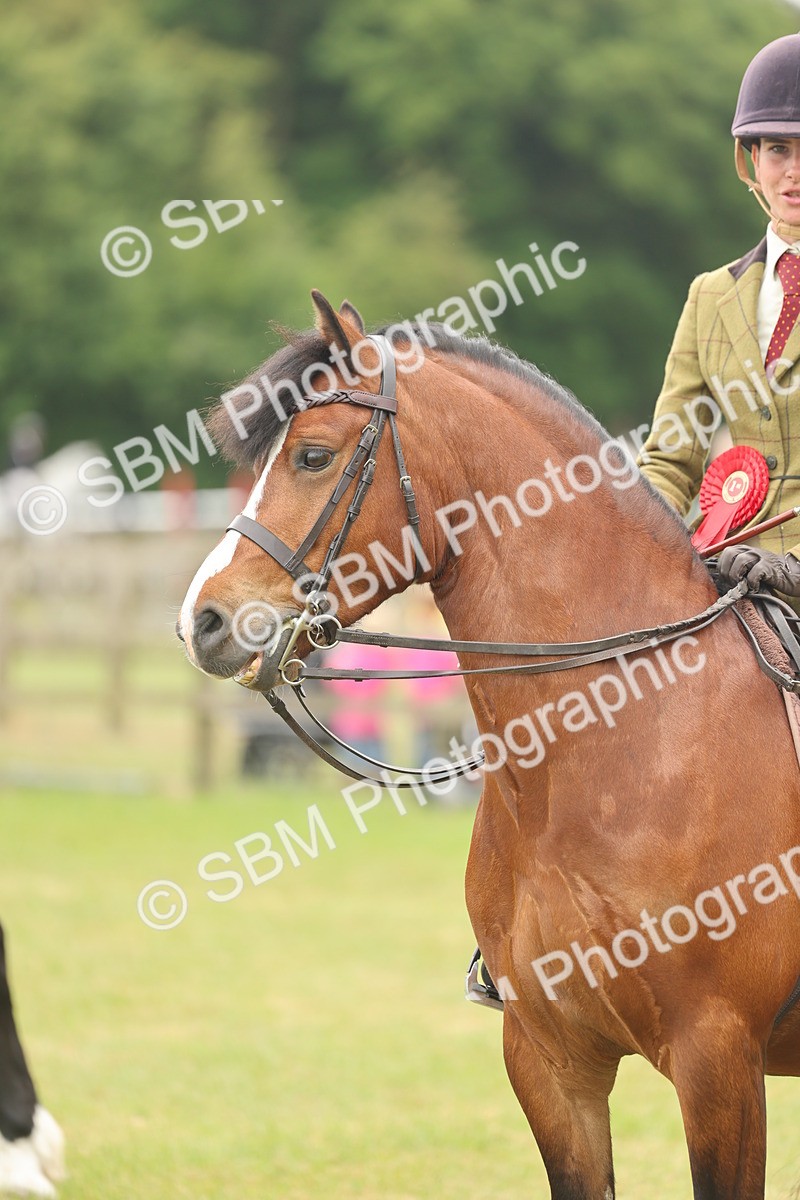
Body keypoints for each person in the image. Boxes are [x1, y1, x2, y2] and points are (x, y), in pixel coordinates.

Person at [638, 34, 800, 598]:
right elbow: (670, 458)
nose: (793, 174)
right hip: (733, 574)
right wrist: (624, 537)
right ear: (751, 160)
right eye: (778, 150)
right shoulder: (709, 296)